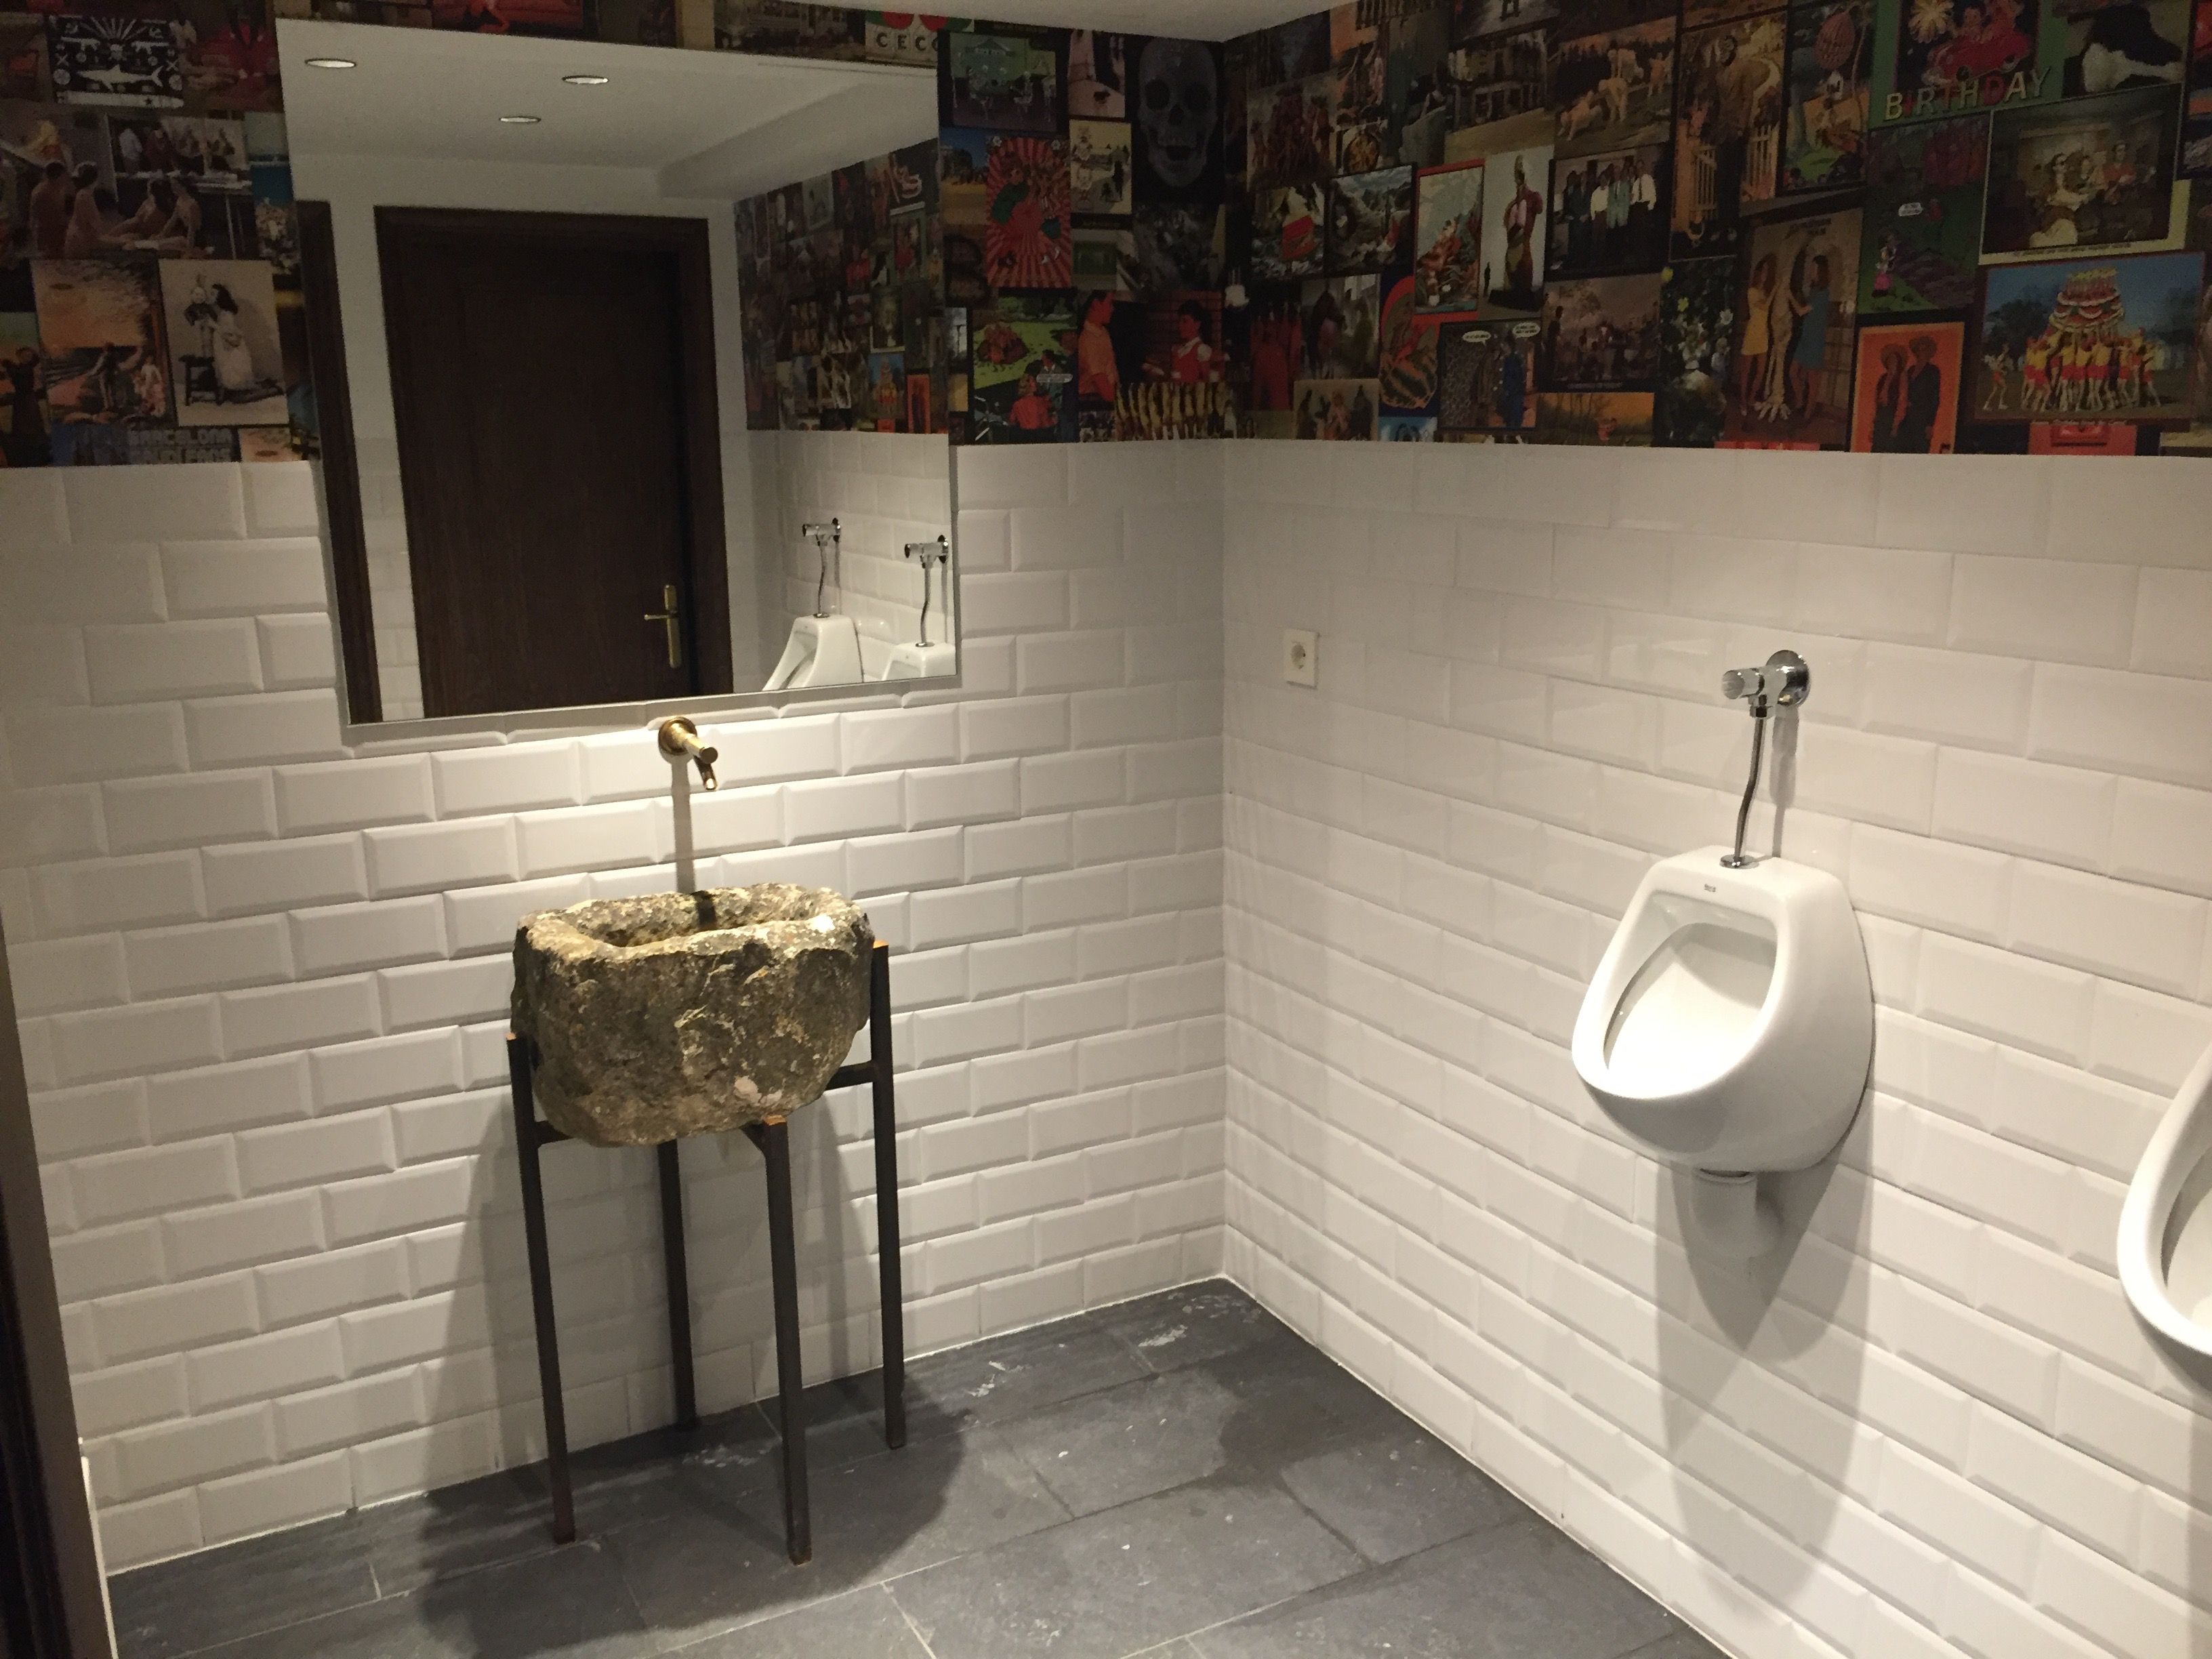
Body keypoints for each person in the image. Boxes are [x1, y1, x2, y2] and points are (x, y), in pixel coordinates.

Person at [1787, 253, 1832, 420]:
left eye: (1814, 268)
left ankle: (1808, 412)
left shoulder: (1823, 293)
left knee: (1813, 379)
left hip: (1814, 340)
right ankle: (1800, 401)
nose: (1811, 270)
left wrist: (1790, 296)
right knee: (1793, 372)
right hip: (1806, 337)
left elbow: (1801, 311)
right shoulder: (1814, 291)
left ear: (1820, 270)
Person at [1498, 155, 1543, 306]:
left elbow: (1536, 211)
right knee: (1510, 286)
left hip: (1522, 248)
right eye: (1517, 171)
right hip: (1513, 249)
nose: (1519, 174)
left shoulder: (1533, 198)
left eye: (1522, 170)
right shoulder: (1513, 204)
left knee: (1521, 285)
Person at [1738, 253, 1776, 411]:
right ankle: (1743, 400)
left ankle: (1752, 398)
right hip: (1752, 334)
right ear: (1758, 272)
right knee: (1746, 371)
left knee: (1761, 371)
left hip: (1763, 334)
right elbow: (1764, 306)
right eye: (1763, 270)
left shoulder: (1765, 292)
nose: (1765, 274)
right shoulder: (1752, 291)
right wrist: (1774, 290)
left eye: (1767, 271)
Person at [1894, 332, 1943, 450]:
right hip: (1908, 417)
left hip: (1922, 418)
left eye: (1924, 349)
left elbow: (1934, 399)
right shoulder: (1910, 370)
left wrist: (1930, 424)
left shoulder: (1933, 371)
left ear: (1929, 352)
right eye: (1919, 349)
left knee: (1919, 449)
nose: (1921, 352)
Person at [1077, 292, 1119, 405]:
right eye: (1109, 304)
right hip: (1094, 401)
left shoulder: (1103, 332)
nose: (1112, 309)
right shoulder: (1089, 340)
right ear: (1096, 304)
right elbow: (1100, 381)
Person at [28, 160, 69, 259]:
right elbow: (53, 218)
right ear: (59, 176)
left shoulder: (48, 189)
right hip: (50, 237)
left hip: (48, 235)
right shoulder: (46, 192)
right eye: (64, 176)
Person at [1168, 300, 1216, 383]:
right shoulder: (1177, 349)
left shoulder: (1201, 349)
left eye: (1185, 321)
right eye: (1179, 321)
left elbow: (1206, 381)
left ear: (1197, 325)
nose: (1180, 325)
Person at [1870, 342, 1906, 448]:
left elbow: (1902, 401)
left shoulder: (1902, 377)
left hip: (1892, 418)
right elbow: (1876, 402)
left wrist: (1896, 425)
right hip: (1881, 418)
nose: (1892, 362)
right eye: (1889, 360)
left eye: (1894, 359)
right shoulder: (1883, 378)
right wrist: (1873, 426)